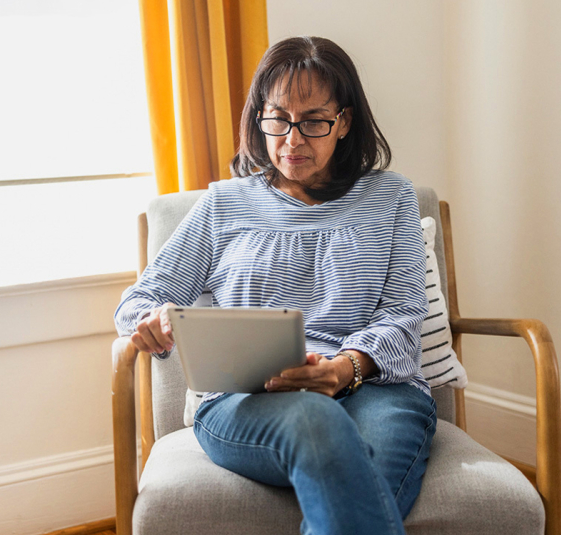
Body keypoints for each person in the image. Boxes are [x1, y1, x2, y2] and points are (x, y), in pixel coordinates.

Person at [114, 36, 436, 535]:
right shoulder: (224, 205)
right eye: (278, 119)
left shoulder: (390, 197)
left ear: (344, 122)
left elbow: (403, 315)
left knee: (361, 476)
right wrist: (152, 322)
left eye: (313, 121)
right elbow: (139, 300)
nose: (292, 140)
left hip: (375, 389)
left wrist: (344, 368)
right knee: (318, 422)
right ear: (258, 118)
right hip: (245, 398)